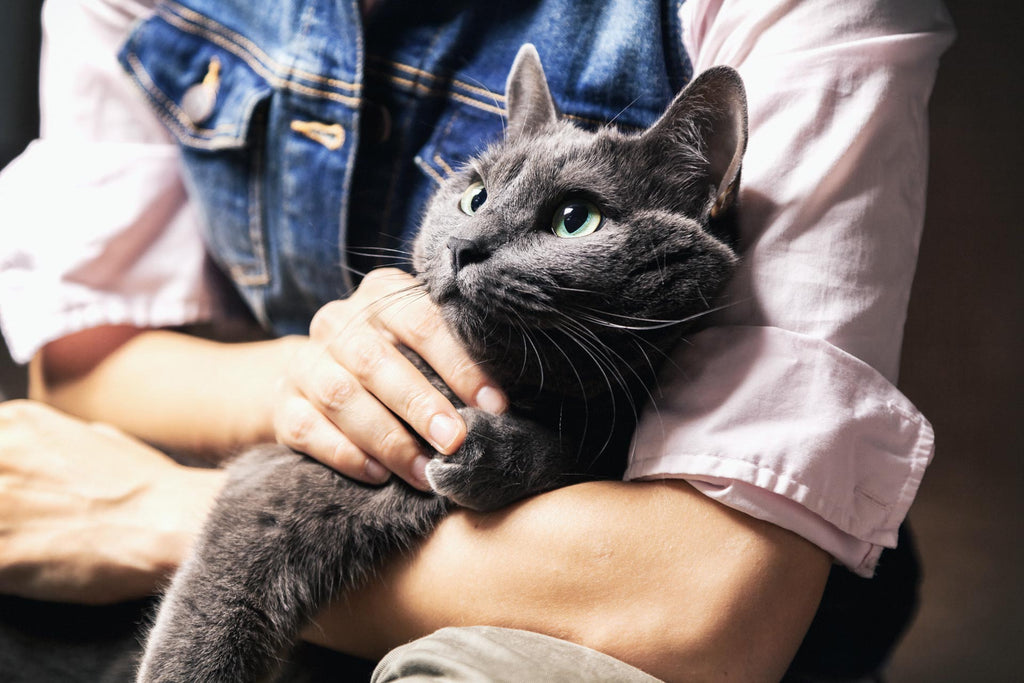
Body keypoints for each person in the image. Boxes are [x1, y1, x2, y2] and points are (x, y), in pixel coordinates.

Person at [0, 0, 954, 680]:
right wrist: (333, 377)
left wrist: (152, 512)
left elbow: (706, 604)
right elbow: (79, 364)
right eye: (477, 195)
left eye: (573, 217)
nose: (480, 240)